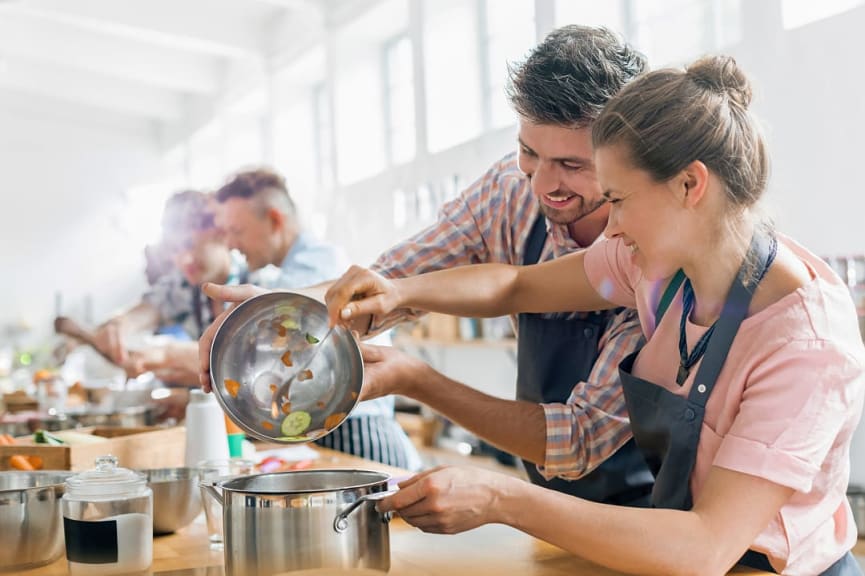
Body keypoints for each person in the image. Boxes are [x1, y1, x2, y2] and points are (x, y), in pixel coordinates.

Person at [325, 56, 865, 575]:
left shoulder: (806, 347)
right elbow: (513, 284)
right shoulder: (654, 269)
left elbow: (703, 547)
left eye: (619, 200)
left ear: (689, 185)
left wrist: (500, 497)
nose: (611, 225)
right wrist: (398, 291)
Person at [199, 25, 654, 505]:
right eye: (529, 152)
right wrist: (284, 309)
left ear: (625, 154)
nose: (542, 184)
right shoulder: (509, 190)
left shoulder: (650, 250)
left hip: (647, 512)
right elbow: (399, 280)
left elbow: (576, 442)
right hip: (552, 504)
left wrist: (416, 379)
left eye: (572, 165)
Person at [214, 168, 422, 470]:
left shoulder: (314, 264)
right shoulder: (295, 266)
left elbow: (271, 345)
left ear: (274, 220)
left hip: (358, 432)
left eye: (236, 230)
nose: (231, 244)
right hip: (331, 430)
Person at [90, 190, 247, 386]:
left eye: (190, 244)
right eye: (174, 250)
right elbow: (149, 308)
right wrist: (120, 324)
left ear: (220, 232)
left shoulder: (258, 281)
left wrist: (168, 354)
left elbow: (244, 358)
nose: (183, 260)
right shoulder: (183, 285)